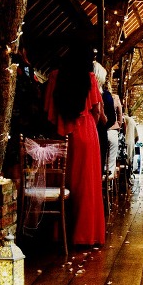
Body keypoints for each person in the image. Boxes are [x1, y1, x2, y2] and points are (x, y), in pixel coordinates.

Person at [43, 49, 106, 248]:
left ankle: (59, 233)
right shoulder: (90, 77)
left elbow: (48, 109)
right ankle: (84, 235)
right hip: (86, 132)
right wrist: (87, 126)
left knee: (62, 181)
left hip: (61, 133)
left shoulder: (54, 76)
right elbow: (96, 111)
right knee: (86, 185)